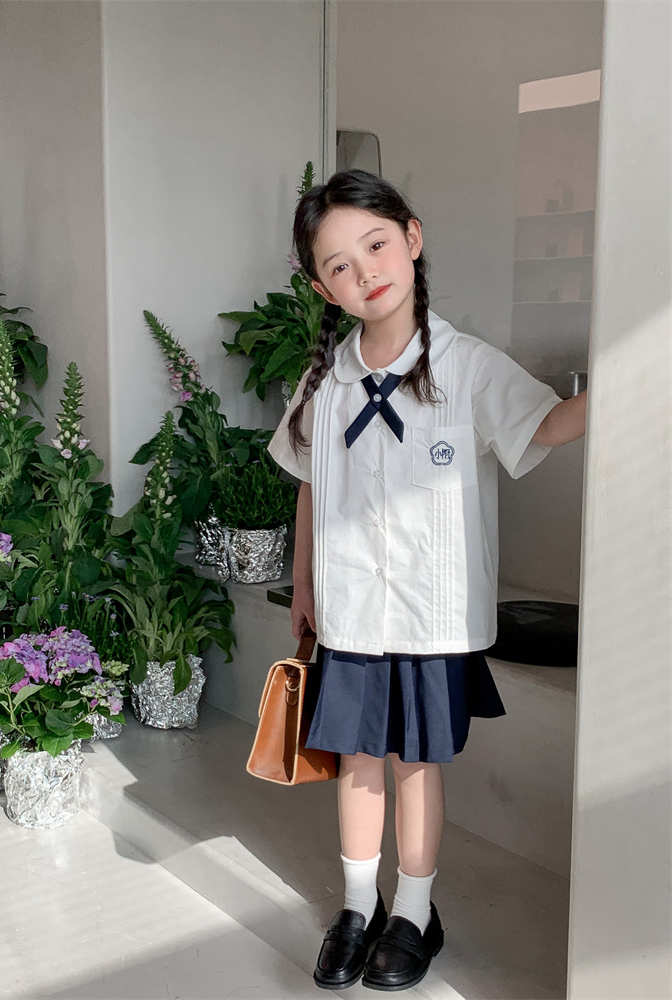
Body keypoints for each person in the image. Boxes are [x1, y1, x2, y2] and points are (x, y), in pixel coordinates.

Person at [267, 169, 587, 992]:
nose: (365, 272)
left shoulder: (469, 367)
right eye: (339, 265)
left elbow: (544, 423)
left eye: (375, 245)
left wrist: (622, 379)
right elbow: (309, 484)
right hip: (350, 609)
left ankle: (413, 912)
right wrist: (303, 582)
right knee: (356, 761)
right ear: (322, 289)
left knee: (414, 764)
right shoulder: (323, 383)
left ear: (411, 238)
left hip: (430, 613)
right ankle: (355, 907)